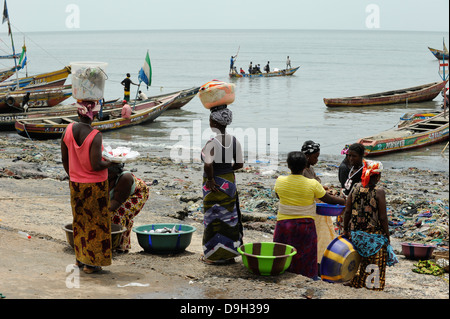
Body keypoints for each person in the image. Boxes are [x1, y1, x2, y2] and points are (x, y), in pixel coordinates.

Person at [60, 100, 114, 274]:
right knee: (96, 224)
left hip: (75, 184)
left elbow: (64, 158)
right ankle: (91, 265)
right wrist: (111, 161)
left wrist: (73, 174)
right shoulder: (95, 135)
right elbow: (96, 164)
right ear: (95, 114)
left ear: (78, 113)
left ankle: (80, 260)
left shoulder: (67, 130)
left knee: (80, 221)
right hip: (95, 186)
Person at [273, 152, 345, 279]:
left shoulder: (280, 180)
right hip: (304, 225)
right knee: (305, 253)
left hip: (284, 224)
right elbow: (329, 199)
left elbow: (279, 196)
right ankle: (307, 276)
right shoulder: (313, 184)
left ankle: (282, 271)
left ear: (288, 166)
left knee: (283, 251)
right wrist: (344, 201)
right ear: (305, 167)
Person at [343, 160, 398, 291]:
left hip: (356, 234)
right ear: (378, 176)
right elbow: (383, 217)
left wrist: (345, 230)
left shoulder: (355, 187)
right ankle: (372, 285)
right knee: (375, 260)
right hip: (372, 235)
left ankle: (357, 281)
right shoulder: (379, 192)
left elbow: (347, 212)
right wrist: (387, 235)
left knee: (359, 259)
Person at [200, 105, 244, 265]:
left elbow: (207, 164)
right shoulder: (234, 140)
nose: (209, 121)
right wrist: (227, 171)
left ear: (215, 123)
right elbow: (239, 164)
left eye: (211, 118)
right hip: (229, 182)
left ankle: (212, 256)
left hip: (214, 185)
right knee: (229, 218)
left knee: (213, 218)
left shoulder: (212, 142)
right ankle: (230, 254)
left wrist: (211, 179)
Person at [301, 141, 336, 268]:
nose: (317, 160)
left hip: (317, 204)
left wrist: (324, 188)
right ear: (307, 156)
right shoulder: (302, 171)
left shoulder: (310, 169)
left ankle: (319, 259)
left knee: (320, 234)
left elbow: (316, 186)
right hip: (311, 207)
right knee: (317, 234)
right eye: (315, 157)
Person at [108, 164, 150, 253]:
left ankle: (120, 246)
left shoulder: (124, 178)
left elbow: (116, 202)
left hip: (137, 193)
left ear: (114, 172)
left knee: (118, 214)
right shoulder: (102, 176)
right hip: (120, 194)